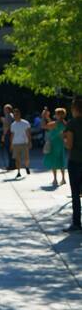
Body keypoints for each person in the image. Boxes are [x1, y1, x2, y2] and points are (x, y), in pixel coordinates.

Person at [63, 97, 82, 232]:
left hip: (76, 161)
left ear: (75, 109)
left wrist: (64, 141)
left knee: (76, 193)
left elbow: (69, 144)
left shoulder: (72, 123)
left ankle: (76, 223)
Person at [43, 108, 68, 190]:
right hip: (60, 144)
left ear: (59, 115)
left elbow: (45, 126)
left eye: (56, 114)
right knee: (61, 160)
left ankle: (55, 179)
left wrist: (44, 117)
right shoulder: (64, 123)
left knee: (54, 161)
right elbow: (53, 125)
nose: (55, 115)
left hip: (54, 144)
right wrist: (47, 117)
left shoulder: (55, 123)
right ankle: (63, 179)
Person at [10, 107, 31, 178]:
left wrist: (29, 141)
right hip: (16, 143)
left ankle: (27, 166)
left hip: (24, 142)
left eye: (17, 114)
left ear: (19, 114)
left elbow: (28, 133)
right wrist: (11, 144)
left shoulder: (25, 123)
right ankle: (18, 171)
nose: (16, 116)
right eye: (14, 115)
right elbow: (12, 135)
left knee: (26, 157)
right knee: (17, 159)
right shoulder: (13, 125)